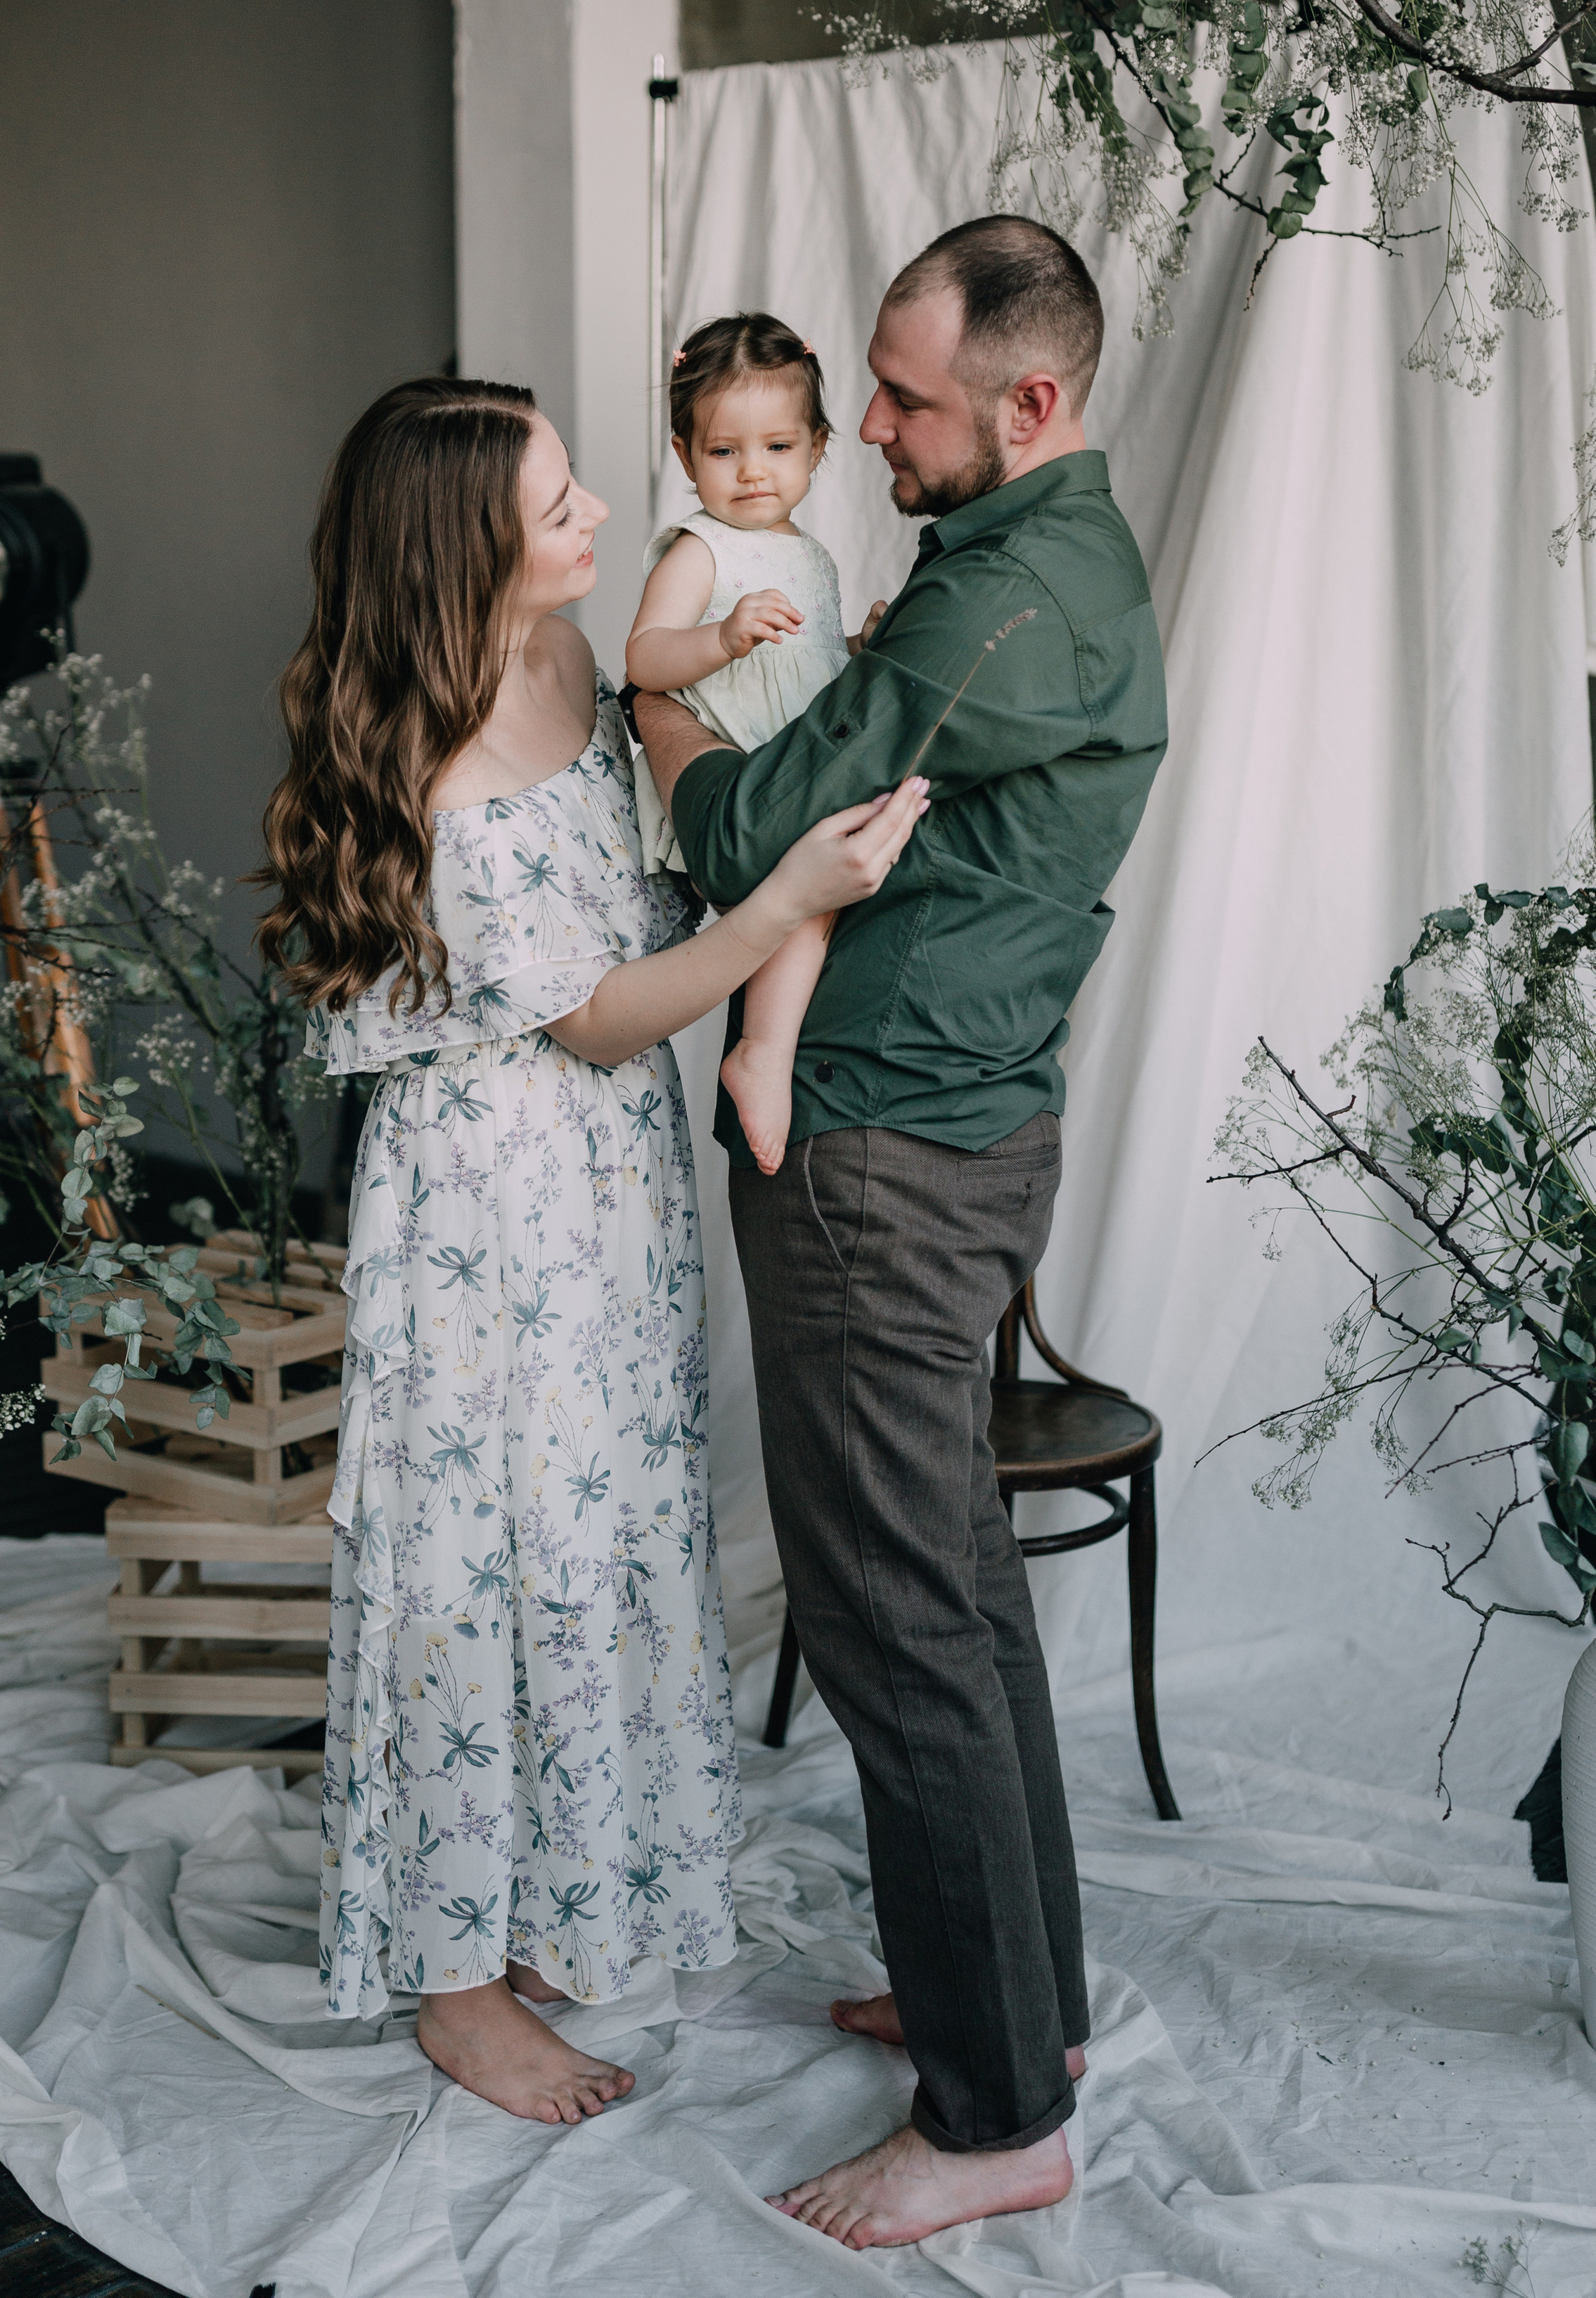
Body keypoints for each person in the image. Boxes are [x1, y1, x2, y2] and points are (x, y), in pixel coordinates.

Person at [255, 375, 929, 2130]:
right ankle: (456, 1984)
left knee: (591, 1530)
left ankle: (544, 1891)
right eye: (561, 502)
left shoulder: (580, 660)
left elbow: (693, 765)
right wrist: (786, 909)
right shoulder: (442, 739)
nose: (603, 520)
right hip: (494, 1204)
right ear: (462, 538)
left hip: (602, 1199)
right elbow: (596, 1015)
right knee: (478, 1555)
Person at [635, 217, 1168, 2247]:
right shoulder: (1020, 565)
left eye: (905, 400)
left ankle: (995, 2117)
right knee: (952, 1591)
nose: (862, 428)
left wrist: (669, 733)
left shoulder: (992, 610)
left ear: (1029, 404)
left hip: (882, 1161)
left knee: (891, 1620)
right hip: (956, 1133)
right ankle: (1023, 2019)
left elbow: (750, 834)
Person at [626, 312, 889, 1177]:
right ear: (683, 454)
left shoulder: (807, 554)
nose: (751, 473)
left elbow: (804, 660)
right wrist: (723, 639)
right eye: (723, 452)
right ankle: (761, 1055)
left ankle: (773, 1049)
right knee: (808, 892)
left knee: (829, 895)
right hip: (739, 770)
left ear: (817, 449)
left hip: (791, 756)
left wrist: (858, 647)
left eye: (777, 447)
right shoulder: (703, 550)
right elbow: (646, 656)